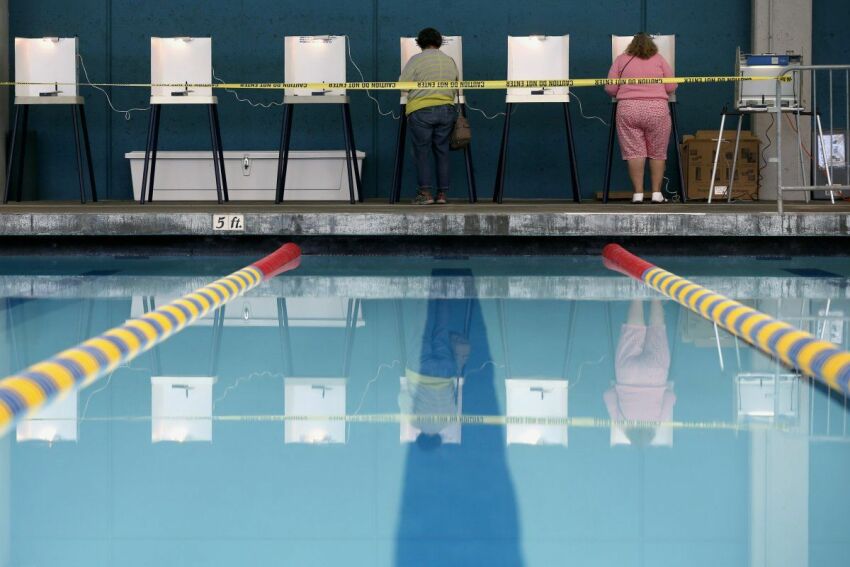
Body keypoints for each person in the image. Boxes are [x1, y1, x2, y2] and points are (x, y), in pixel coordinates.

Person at [605, 33, 677, 204]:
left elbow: (610, 88)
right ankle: (656, 194)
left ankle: (637, 194)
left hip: (628, 109)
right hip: (657, 110)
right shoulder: (659, 59)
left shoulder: (621, 59)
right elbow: (672, 85)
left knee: (634, 152)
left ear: (631, 45)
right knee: (657, 153)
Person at [604, 299, 676, 446]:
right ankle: (637, 294)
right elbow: (607, 395)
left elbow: (671, 397)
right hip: (627, 376)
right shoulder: (622, 424)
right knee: (633, 330)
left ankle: (656, 297)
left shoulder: (656, 423)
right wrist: (619, 389)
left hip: (655, 376)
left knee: (657, 329)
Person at [400, 28, 459, 205]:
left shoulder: (416, 60)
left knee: (422, 152)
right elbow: (457, 85)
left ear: (420, 42)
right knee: (442, 151)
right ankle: (442, 195)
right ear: (439, 41)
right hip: (447, 111)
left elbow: (402, 85)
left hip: (422, 110)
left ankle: (425, 194)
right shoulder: (449, 61)